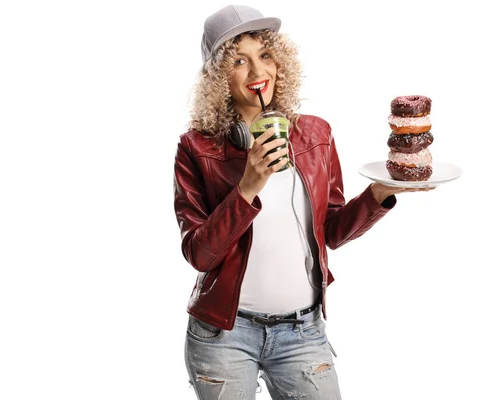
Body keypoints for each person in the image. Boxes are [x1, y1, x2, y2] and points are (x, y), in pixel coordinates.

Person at [173, 5, 431, 399]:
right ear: (219, 76)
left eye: (265, 54)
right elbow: (199, 255)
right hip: (223, 334)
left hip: (302, 332)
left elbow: (332, 232)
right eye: (239, 60)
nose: (258, 72)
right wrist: (247, 186)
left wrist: (380, 194)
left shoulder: (316, 134)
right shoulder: (196, 148)